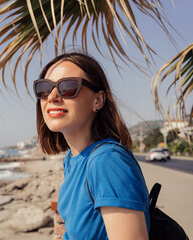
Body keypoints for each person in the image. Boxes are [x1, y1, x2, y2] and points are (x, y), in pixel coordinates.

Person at [33, 52, 150, 240]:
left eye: (69, 87)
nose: (52, 96)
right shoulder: (73, 160)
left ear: (98, 100)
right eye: (44, 88)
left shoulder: (108, 161)